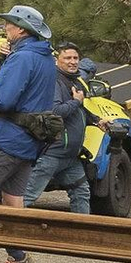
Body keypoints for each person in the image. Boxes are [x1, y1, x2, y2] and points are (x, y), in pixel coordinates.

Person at [0, 5, 64, 263]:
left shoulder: (23, 58)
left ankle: (19, 257)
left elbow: (2, 100)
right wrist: (5, 64)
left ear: (22, 29)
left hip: (8, 139)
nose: (6, 29)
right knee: (14, 202)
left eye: (10, 25)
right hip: (30, 142)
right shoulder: (45, 57)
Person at [21, 42, 95, 214]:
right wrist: (76, 101)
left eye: (75, 58)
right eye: (67, 57)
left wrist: (97, 121)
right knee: (26, 196)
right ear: (56, 60)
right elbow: (55, 112)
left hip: (70, 156)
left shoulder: (75, 81)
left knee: (81, 193)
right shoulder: (54, 81)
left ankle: (81, 237)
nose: (72, 61)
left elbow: (79, 112)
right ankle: (3, 230)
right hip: (52, 153)